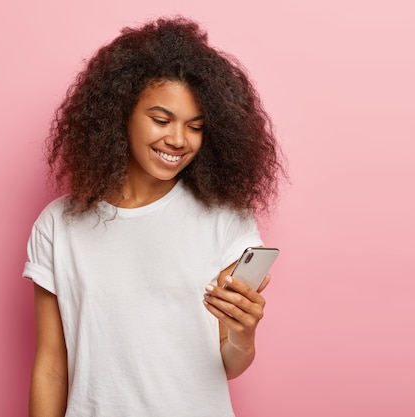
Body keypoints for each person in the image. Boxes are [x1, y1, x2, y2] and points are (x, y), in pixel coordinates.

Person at [22, 16, 285, 417]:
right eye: (161, 120)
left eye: (195, 127)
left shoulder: (224, 220)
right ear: (120, 113)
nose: (178, 140)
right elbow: (51, 368)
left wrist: (244, 336)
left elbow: (228, 364)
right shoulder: (59, 225)